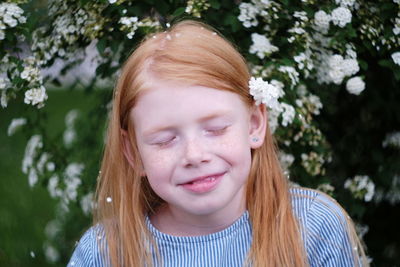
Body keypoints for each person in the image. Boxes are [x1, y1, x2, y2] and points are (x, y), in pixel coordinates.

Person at [68, 20, 368, 267]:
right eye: (165, 139)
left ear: (254, 124)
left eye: (215, 129)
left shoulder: (312, 228)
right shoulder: (105, 255)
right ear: (133, 152)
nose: (194, 155)